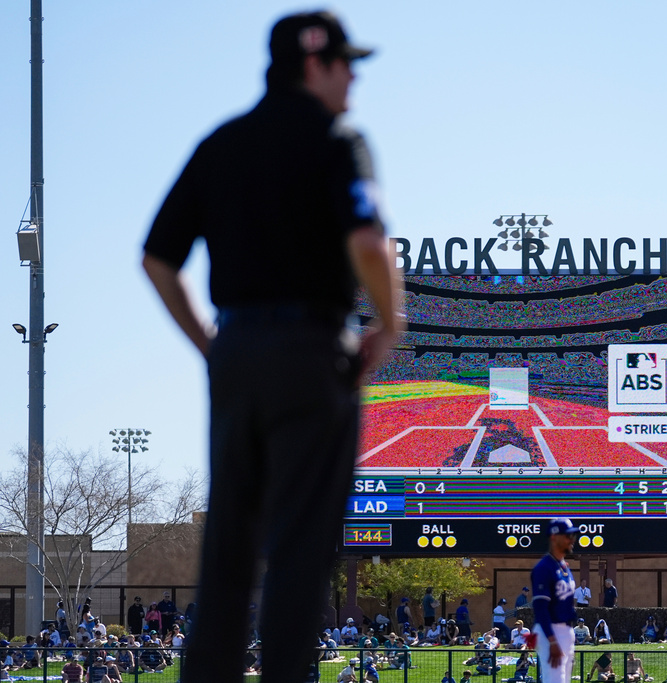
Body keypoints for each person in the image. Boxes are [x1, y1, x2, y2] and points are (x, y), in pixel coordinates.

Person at [143, 10, 402, 683]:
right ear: (314, 64)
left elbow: (157, 258)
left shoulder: (222, 143)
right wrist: (391, 322)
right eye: (347, 64)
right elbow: (370, 243)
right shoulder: (337, 137)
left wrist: (207, 341)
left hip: (237, 353)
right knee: (300, 548)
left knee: (228, 549)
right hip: (314, 354)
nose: (354, 78)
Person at [532, 518, 579, 683]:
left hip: (565, 631)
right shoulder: (544, 568)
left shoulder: (564, 567)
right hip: (550, 632)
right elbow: (540, 608)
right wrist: (552, 640)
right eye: (567, 536)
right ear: (554, 537)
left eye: (572, 535)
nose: (571, 539)